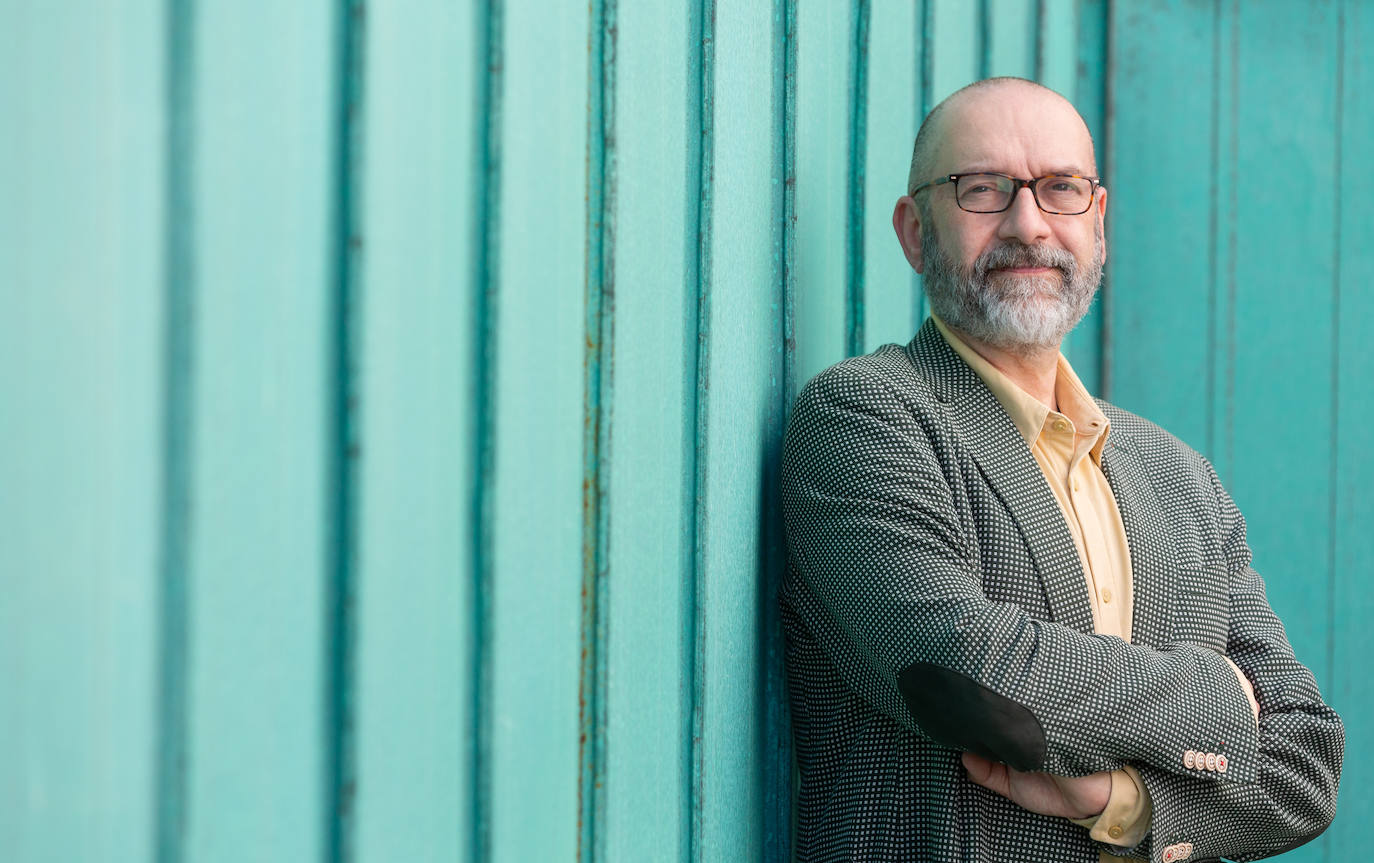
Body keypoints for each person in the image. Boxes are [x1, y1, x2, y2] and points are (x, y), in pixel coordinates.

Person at [780, 77, 1343, 863]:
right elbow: (968, 676)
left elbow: (1306, 765)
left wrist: (1125, 803)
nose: (1028, 224)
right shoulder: (867, 416)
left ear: (1097, 221)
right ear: (914, 231)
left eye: (1061, 189)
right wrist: (1214, 694)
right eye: (982, 189)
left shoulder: (1181, 477)